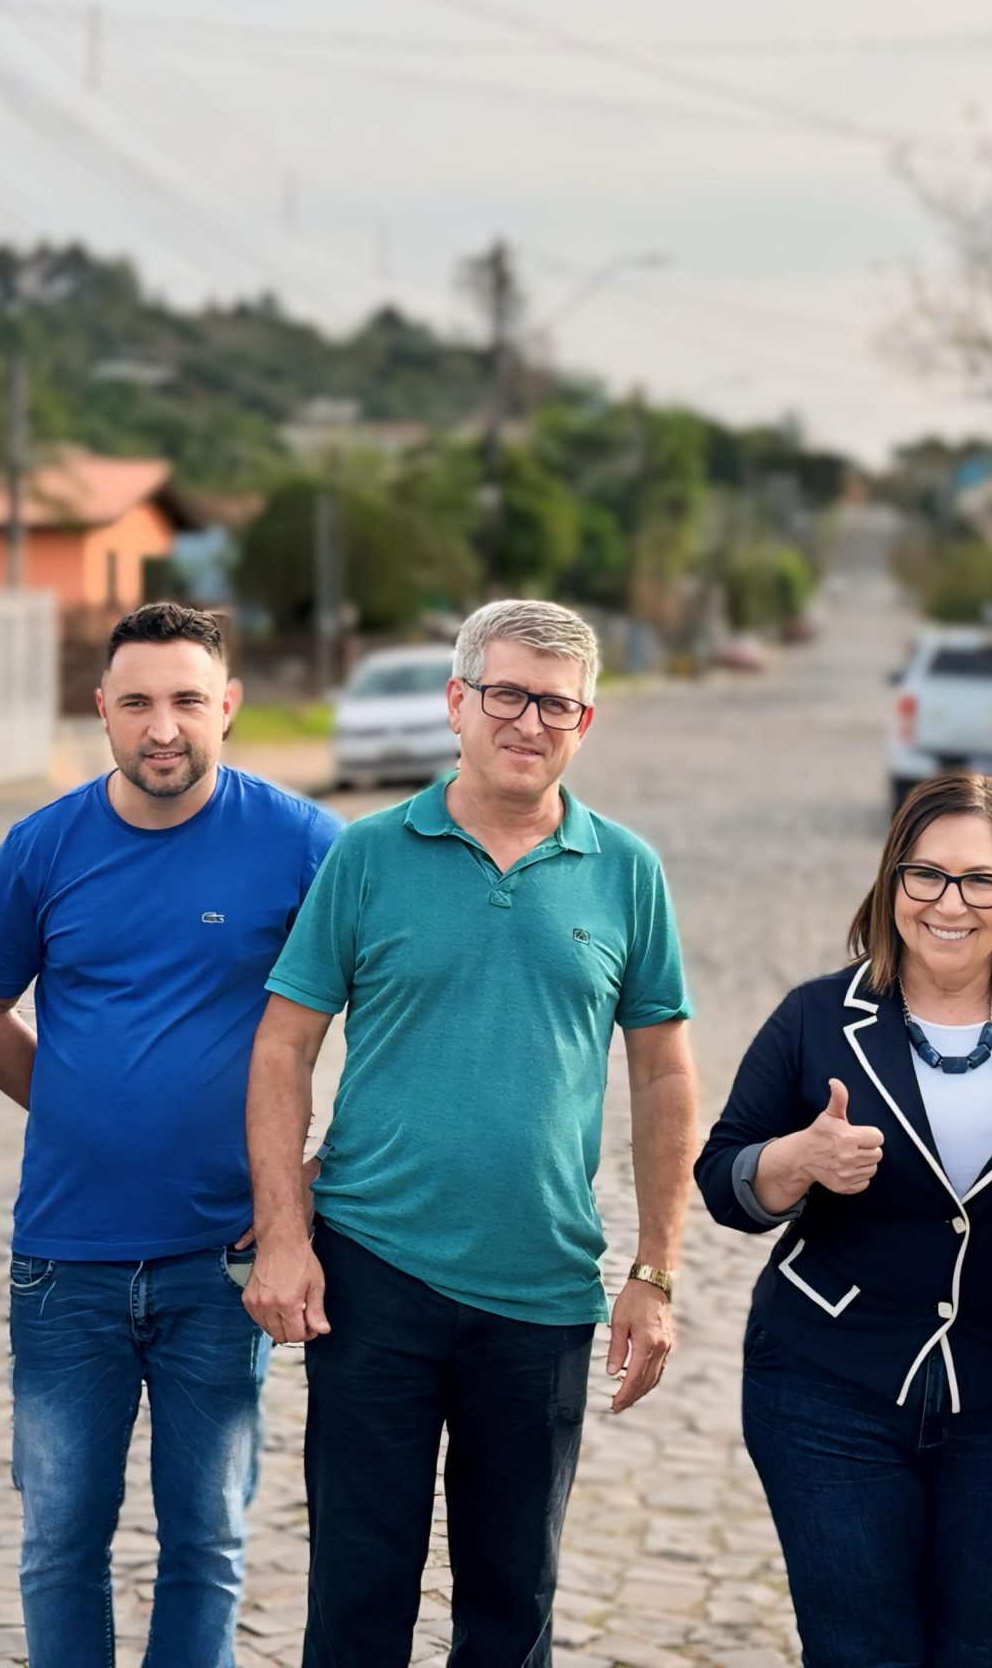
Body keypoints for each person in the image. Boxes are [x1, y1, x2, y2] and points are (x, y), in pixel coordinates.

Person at [241, 598, 695, 1668]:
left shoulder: (627, 870)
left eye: (555, 704)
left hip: (540, 1291)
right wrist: (281, 1233)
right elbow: (281, 1049)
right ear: (458, 703)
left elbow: (665, 1071)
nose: (528, 722)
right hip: (373, 1277)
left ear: (584, 723)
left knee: (510, 1605)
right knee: (357, 1600)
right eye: (506, 695)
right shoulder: (366, 855)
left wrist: (656, 1272)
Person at [0, 602, 342, 1668]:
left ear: (229, 706)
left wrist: (313, 1173)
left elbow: (391, 1002)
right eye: (137, 704)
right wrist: (70, 1100)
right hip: (64, 1262)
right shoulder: (44, 846)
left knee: (205, 1540)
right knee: (59, 1540)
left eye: (185, 702)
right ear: (101, 712)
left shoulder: (304, 844)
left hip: (225, 1259)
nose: (162, 728)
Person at [695, 771, 992, 1668]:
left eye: (979, 880)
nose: (949, 903)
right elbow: (722, 1180)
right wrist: (796, 1162)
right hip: (825, 1387)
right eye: (925, 875)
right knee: (858, 1651)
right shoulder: (816, 1017)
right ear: (892, 883)